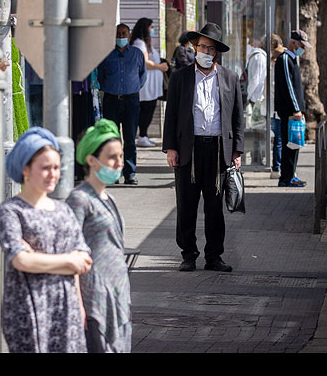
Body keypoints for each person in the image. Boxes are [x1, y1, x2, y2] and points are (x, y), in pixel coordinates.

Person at [0, 127, 93, 353]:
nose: (53, 174)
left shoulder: (64, 210)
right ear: (26, 169)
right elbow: (20, 261)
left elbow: (84, 259)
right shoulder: (11, 211)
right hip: (27, 307)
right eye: (45, 168)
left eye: (56, 168)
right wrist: (68, 262)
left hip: (66, 304)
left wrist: (79, 304)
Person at [163, 22, 244, 273]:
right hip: (189, 149)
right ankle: (188, 254)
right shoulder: (180, 78)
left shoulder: (229, 78)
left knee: (214, 207)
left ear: (216, 52)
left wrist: (237, 151)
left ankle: (214, 257)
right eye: (201, 47)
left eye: (210, 49)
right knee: (186, 206)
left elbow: (238, 117)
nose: (205, 52)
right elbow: (172, 114)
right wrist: (171, 148)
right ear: (194, 47)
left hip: (218, 149)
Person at [67, 119, 132, 353]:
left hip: (118, 297)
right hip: (93, 299)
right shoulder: (79, 199)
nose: (118, 163)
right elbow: (71, 253)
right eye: (112, 157)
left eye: (121, 156)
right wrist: (77, 306)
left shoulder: (109, 198)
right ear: (92, 160)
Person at [97, 23, 146, 185]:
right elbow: (101, 76)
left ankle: (130, 173)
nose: (121, 37)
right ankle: (113, 173)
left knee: (130, 138)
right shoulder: (107, 55)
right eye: (118, 34)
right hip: (111, 99)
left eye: (124, 34)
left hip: (131, 100)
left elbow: (142, 75)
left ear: (129, 35)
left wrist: (132, 88)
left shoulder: (137, 54)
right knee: (112, 138)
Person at [275, 30, 309, 188]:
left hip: (294, 112)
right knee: (290, 144)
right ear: (294, 42)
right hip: (289, 112)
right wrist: (296, 109)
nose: (303, 48)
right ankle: (286, 177)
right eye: (301, 45)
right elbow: (288, 87)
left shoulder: (292, 59)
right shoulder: (285, 59)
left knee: (295, 144)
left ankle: (291, 175)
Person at [131, 18, 167, 148]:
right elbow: (145, 62)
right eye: (151, 27)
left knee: (148, 109)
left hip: (151, 85)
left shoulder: (144, 43)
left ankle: (144, 135)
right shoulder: (139, 43)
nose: (153, 30)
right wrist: (160, 67)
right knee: (146, 109)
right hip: (146, 86)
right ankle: (142, 136)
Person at [269, 33, 285, 179]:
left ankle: (276, 166)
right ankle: (277, 166)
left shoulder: (271, 66)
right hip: (276, 108)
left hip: (272, 107)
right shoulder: (275, 67)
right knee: (279, 139)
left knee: (277, 139)